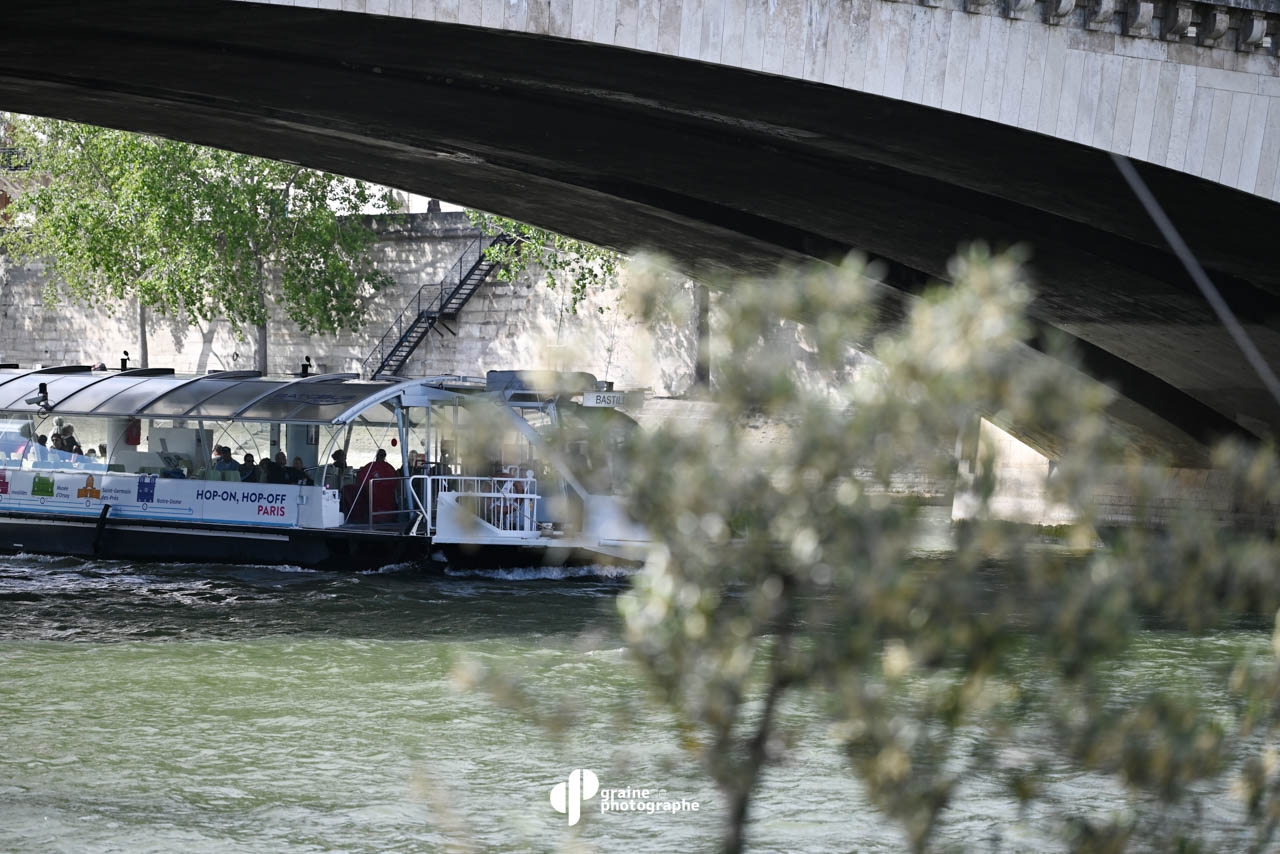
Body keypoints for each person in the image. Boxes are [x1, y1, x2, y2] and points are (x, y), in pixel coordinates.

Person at [349, 448, 398, 523]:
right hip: (385, 495)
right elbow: (394, 482)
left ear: (376, 456)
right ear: (384, 456)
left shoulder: (370, 467)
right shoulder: (389, 468)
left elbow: (362, 481)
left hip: (374, 494)